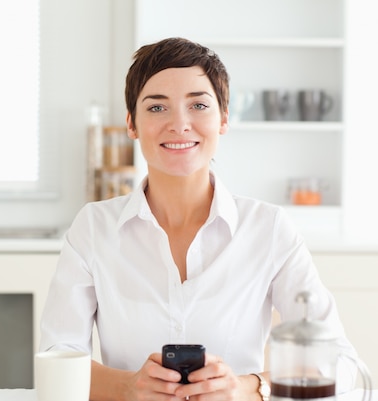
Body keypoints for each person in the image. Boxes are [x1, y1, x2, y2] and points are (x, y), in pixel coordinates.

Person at [39, 37, 358, 401]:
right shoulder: (94, 227)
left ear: (223, 119)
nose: (179, 124)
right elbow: (56, 361)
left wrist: (247, 387)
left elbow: (342, 363)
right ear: (132, 124)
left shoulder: (268, 228)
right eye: (157, 108)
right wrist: (128, 387)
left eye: (199, 105)